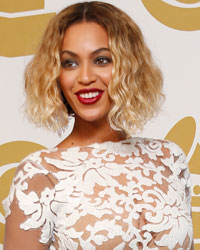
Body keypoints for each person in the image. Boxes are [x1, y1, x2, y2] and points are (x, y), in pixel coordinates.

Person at [3, 1, 193, 249]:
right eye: (70, 63)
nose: (85, 77)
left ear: (128, 66)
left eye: (101, 60)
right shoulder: (40, 176)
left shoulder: (169, 159)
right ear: (56, 76)